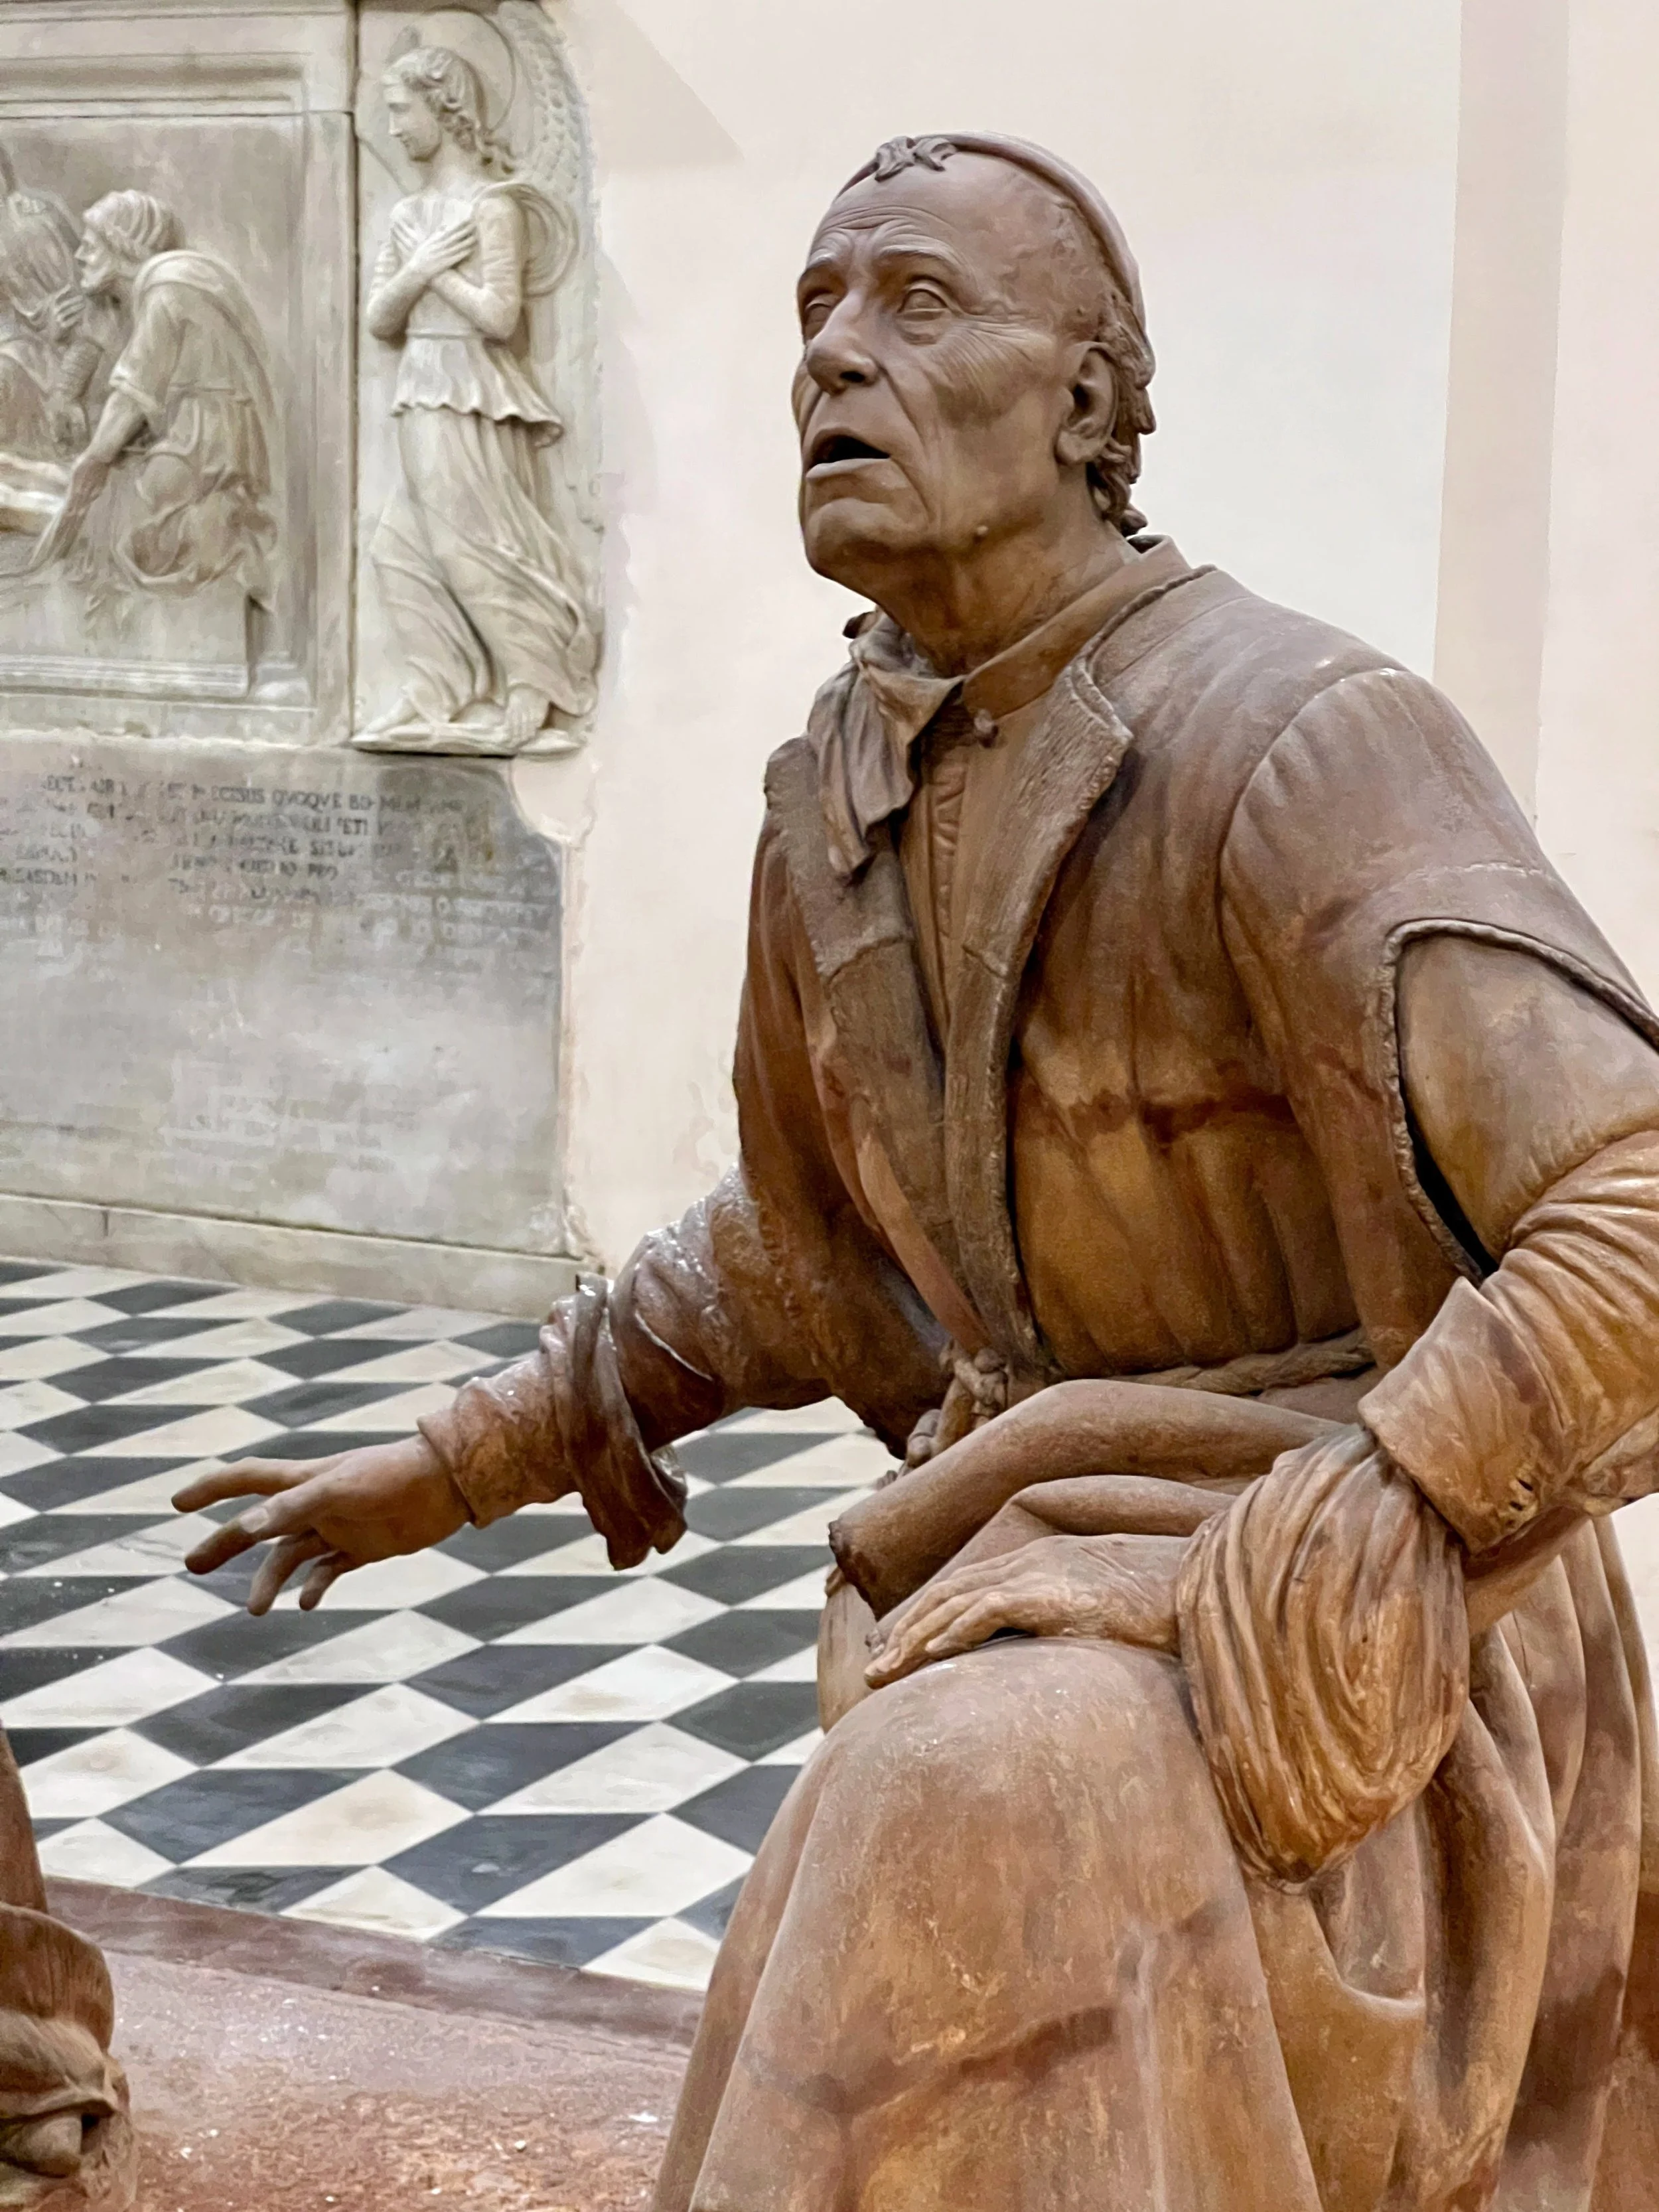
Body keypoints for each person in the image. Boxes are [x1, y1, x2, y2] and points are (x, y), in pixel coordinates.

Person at [175, 134, 1659, 2208]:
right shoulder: (836, 804)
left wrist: (1388, 1484)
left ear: (1082, 405)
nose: (833, 362)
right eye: (812, 313)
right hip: (1047, 1558)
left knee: (967, 1796)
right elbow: (808, 1256)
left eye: (915, 306)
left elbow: (1629, 1207)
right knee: (945, 1789)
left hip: (1362, 1634)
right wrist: (468, 1453)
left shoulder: (1297, 738)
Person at [360, 42, 598, 751]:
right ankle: (433, 690)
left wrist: (436, 275)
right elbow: (379, 319)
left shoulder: (492, 207)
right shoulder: (410, 214)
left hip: (470, 390)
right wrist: (421, 268)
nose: (395, 128)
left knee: (475, 543)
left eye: (402, 111)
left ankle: (532, 678)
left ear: (445, 108)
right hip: (420, 387)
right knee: (396, 551)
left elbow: (500, 317)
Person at [31, 189, 277, 600]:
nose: (79, 257)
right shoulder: (171, 282)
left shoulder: (168, 287)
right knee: (97, 490)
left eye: (92, 246)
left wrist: (92, 462)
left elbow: (132, 393)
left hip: (208, 449)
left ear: (122, 247)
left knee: (112, 516)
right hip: (202, 439)